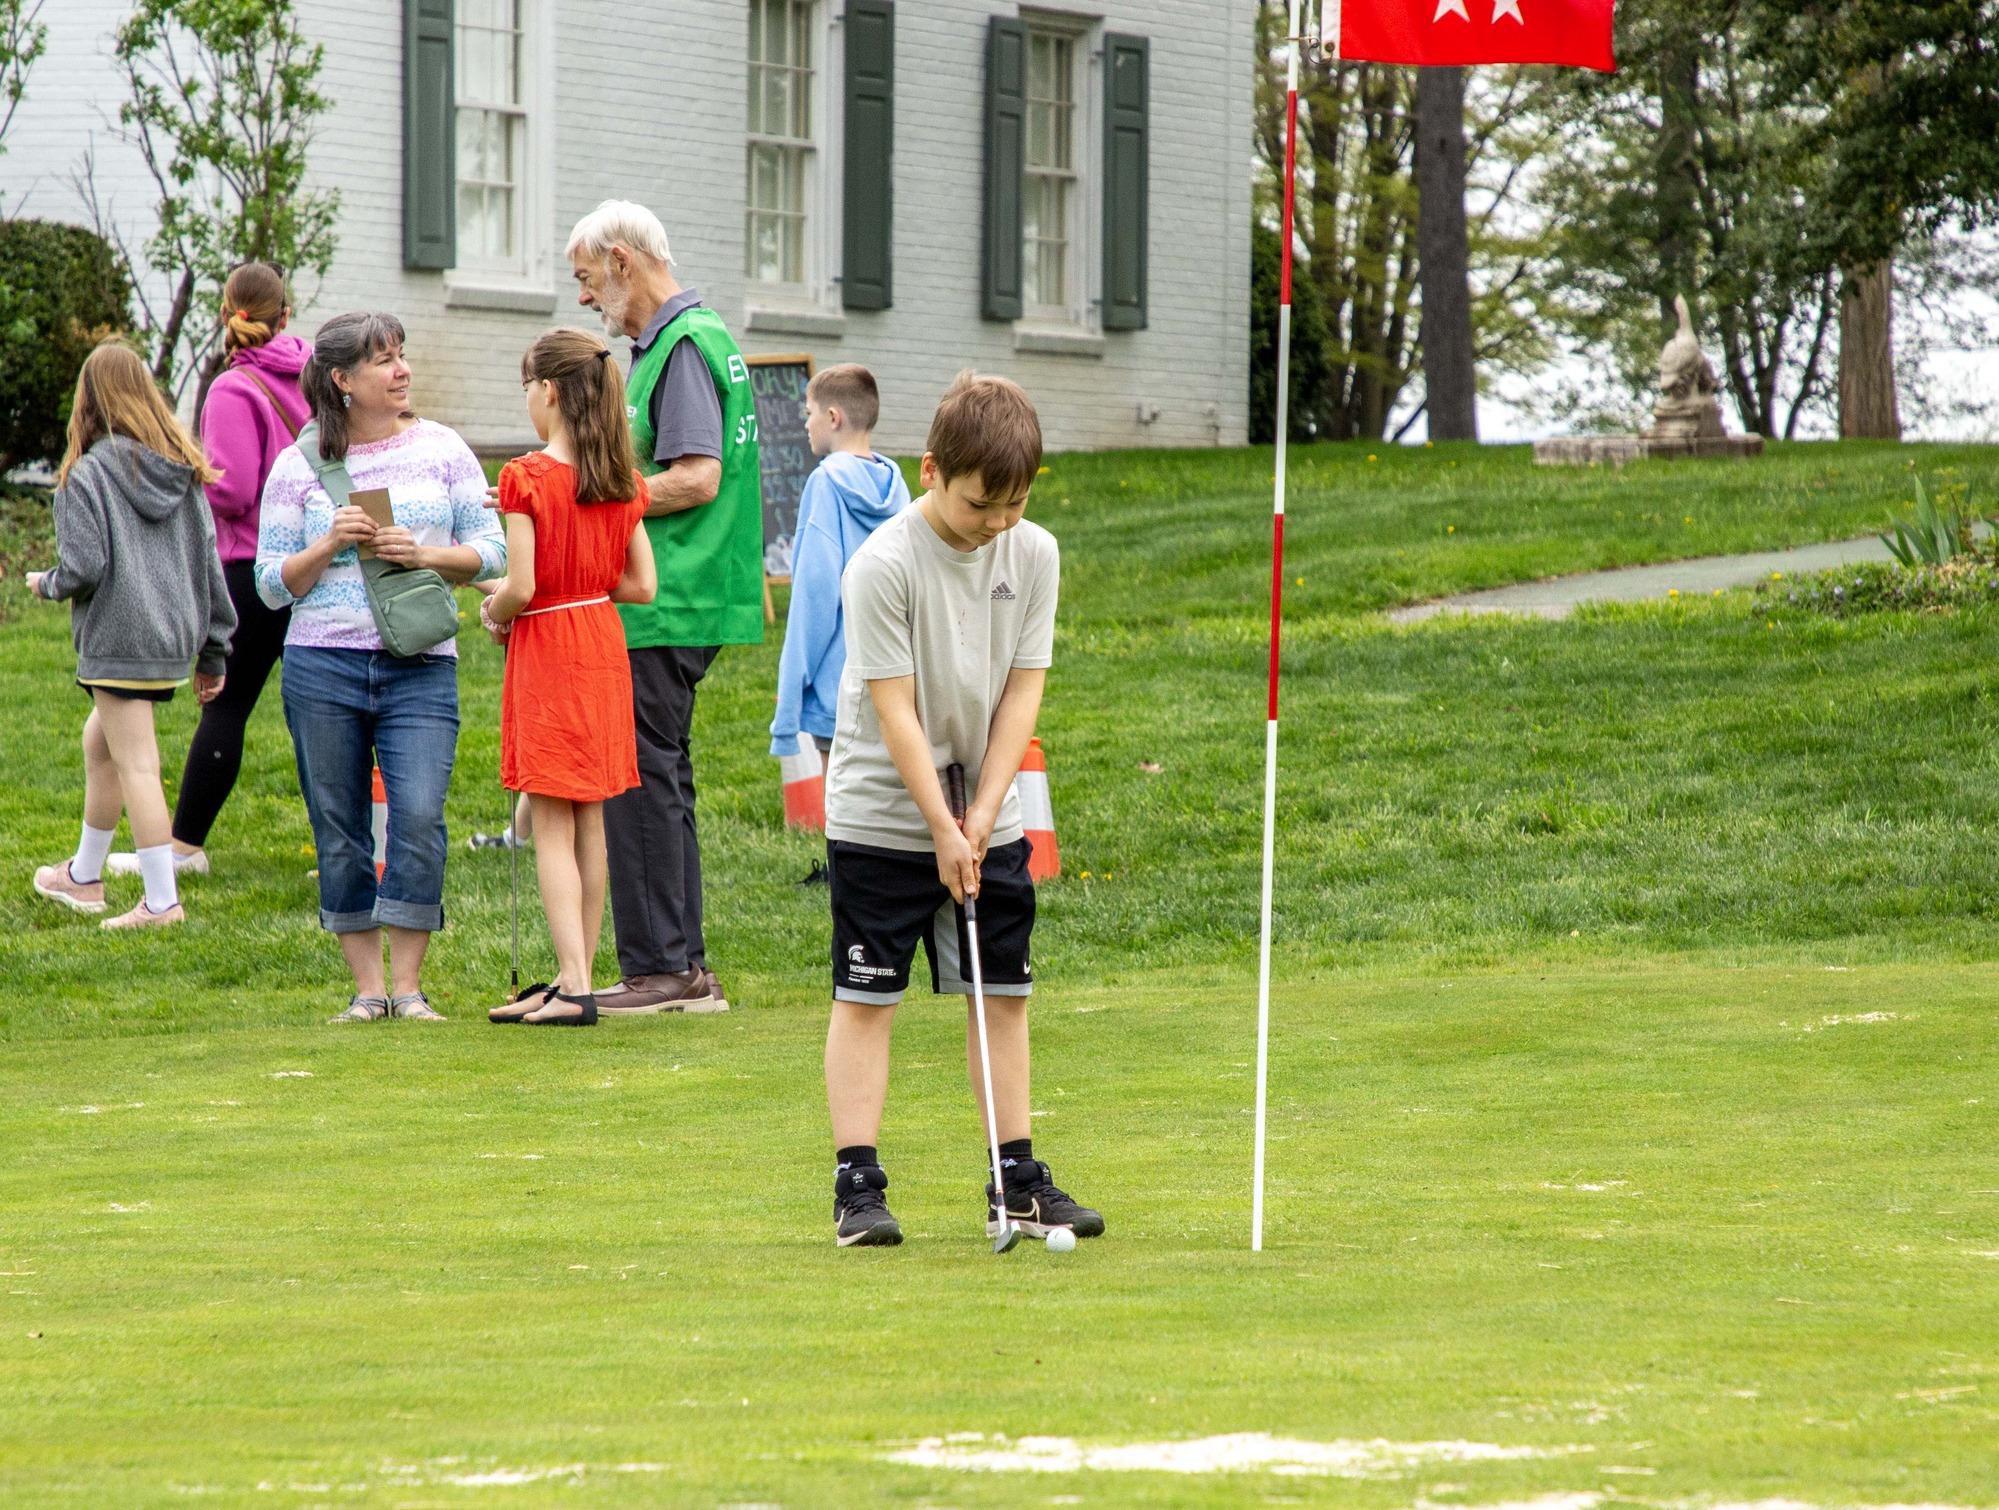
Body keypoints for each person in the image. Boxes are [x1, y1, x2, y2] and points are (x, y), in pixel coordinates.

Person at [819, 373, 1103, 1249]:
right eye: (983, 503)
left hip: (989, 810)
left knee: (1003, 993)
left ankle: (1014, 1178)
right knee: (867, 996)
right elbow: (895, 710)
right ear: (933, 470)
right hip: (880, 810)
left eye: (1016, 503)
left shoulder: (1034, 553)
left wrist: (981, 815)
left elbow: (1022, 696)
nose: (999, 522)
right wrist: (940, 829)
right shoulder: (883, 565)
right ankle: (857, 1188)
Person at [254, 312, 505, 1022]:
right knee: (339, 825)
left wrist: (422, 553)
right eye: (384, 361)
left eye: (402, 356)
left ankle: (409, 988)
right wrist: (328, 541)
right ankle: (367, 993)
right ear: (342, 381)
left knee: (419, 817)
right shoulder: (297, 465)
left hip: (419, 664)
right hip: (320, 666)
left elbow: (494, 552)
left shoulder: (443, 448)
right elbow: (271, 585)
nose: (402, 371)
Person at [565, 200, 764, 1014]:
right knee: (661, 777)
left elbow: (696, 476)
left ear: (622, 261)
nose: (584, 300)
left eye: (585, 279)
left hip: (668, 598)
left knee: (639, 782)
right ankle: (683, 964)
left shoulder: (680, 346)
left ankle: (661, 973)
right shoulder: (697, 339)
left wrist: (593, 499)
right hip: (691, 594)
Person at [102, 263, 310, 881]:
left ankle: (185, 846)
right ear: (286, 317)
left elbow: (235, 489)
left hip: (250, 565)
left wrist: (189, 480)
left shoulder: (232, 387)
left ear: (225, 314)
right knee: (321, 714)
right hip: (314, 562)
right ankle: (343, 847)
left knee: (226, 704)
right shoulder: (314, 374)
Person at [27, 342, 236, 929]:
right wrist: (214, 647)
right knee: (103, 744)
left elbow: (84, 567)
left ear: (86, 400)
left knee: (138, 763)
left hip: (118, 642)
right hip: (169, 640)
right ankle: (84, 877)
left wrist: (47, 583)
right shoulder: (181, 471)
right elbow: (208, 564)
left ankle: (161, 903)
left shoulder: (84, 475)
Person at [483, 329, 656, 1027]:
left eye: (527, 387)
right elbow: (642, 585)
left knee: (551, 822)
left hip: (552, 647)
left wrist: (497, 607)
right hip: (600, 645)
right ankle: (571, 973)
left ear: (548, 391)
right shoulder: (621, 481)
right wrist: (584, 580)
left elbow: (521, 584)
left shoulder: (526, 477)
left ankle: (577, 985)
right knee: (590, 820)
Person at [769, 363, 910, 766]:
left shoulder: (825, 484)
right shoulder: (897, 486)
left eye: (809, 413)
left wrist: (790, 699)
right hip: (895, 680)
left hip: (837, 690)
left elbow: (815, 599)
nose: (806, 424)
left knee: (844, 818)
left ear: (833, 418)